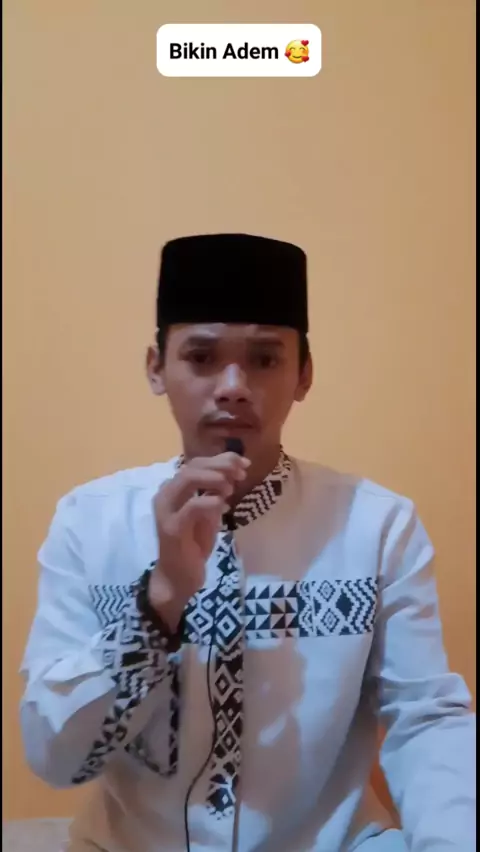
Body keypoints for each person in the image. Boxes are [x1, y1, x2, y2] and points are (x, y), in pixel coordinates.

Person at [20, 233, 475, 852]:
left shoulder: (377, 527)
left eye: (264, 359)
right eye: (202, 356)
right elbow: (55, 757)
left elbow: (426, 718)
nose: (233, 385)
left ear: (303, 374)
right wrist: (160, 601)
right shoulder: (88, 523)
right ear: (156, 368)